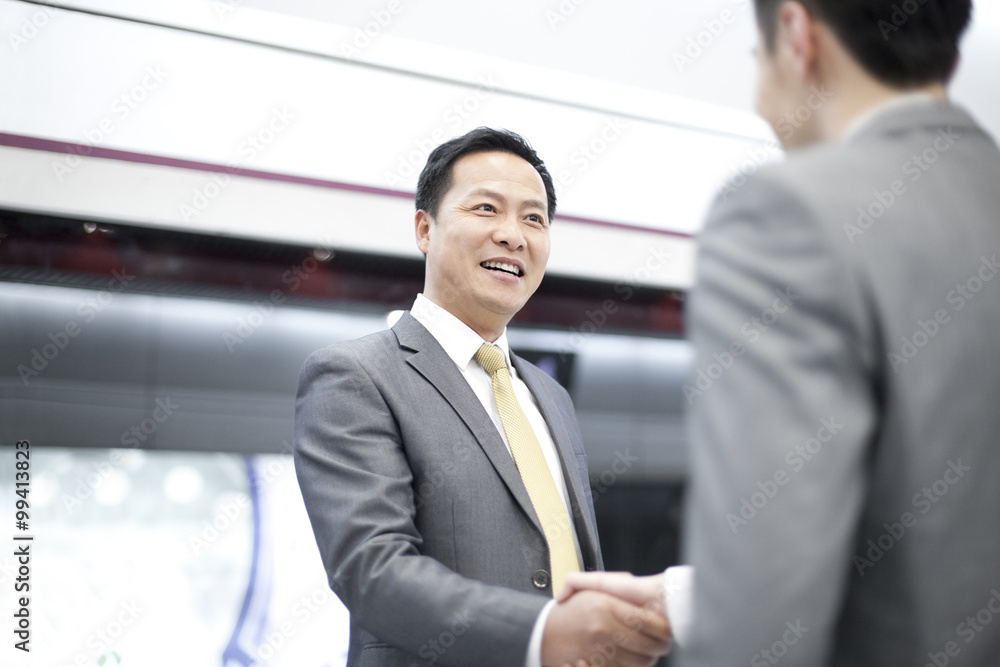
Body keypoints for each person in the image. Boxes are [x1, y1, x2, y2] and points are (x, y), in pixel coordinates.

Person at [561, 0, 1000, 664]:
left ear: (797, 34)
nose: (762, 99)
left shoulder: (785, 214)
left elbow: (762, 627)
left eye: (754, 60)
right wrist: (687, 599)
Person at [294, 127, 671, 667]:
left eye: (534, 218)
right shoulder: (356, 375)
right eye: (486, 208)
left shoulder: (550, 396)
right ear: (425, 228)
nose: (513, 235)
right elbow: (371, 570)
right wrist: (543, 633)